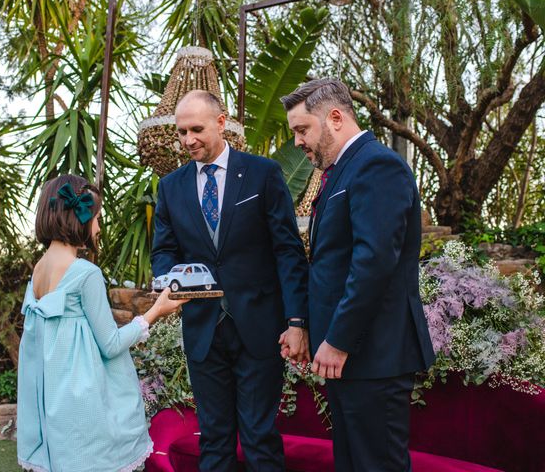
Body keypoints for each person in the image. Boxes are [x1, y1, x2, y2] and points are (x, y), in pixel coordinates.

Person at [281, 79, 436, 472]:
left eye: (302, 129)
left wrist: (338, 339)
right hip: (352, 359)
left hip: (373, 355)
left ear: (334, 117)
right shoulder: (341, 171)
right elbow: (331, 264)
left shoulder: (376, 165)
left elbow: (374, 261)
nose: (298, 142)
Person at [151, 90, 309, 471]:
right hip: (203, 332)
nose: (188, 140)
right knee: (215, 439)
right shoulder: (170, 187)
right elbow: (163, 252)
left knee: (259, 437)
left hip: (259, 328)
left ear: (221, 123)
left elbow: (288, 251)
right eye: (181, 132)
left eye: (197, 129)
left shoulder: (263, 173)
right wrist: (171, 279)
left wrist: (297, 322)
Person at [16, 174, 188, 472]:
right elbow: (110, 345)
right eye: (96, 218)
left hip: (54, 405)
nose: (98, 227)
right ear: (79, 218)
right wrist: (155, 312)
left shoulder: (39, 270)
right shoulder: (85, 273)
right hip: (84, 406)